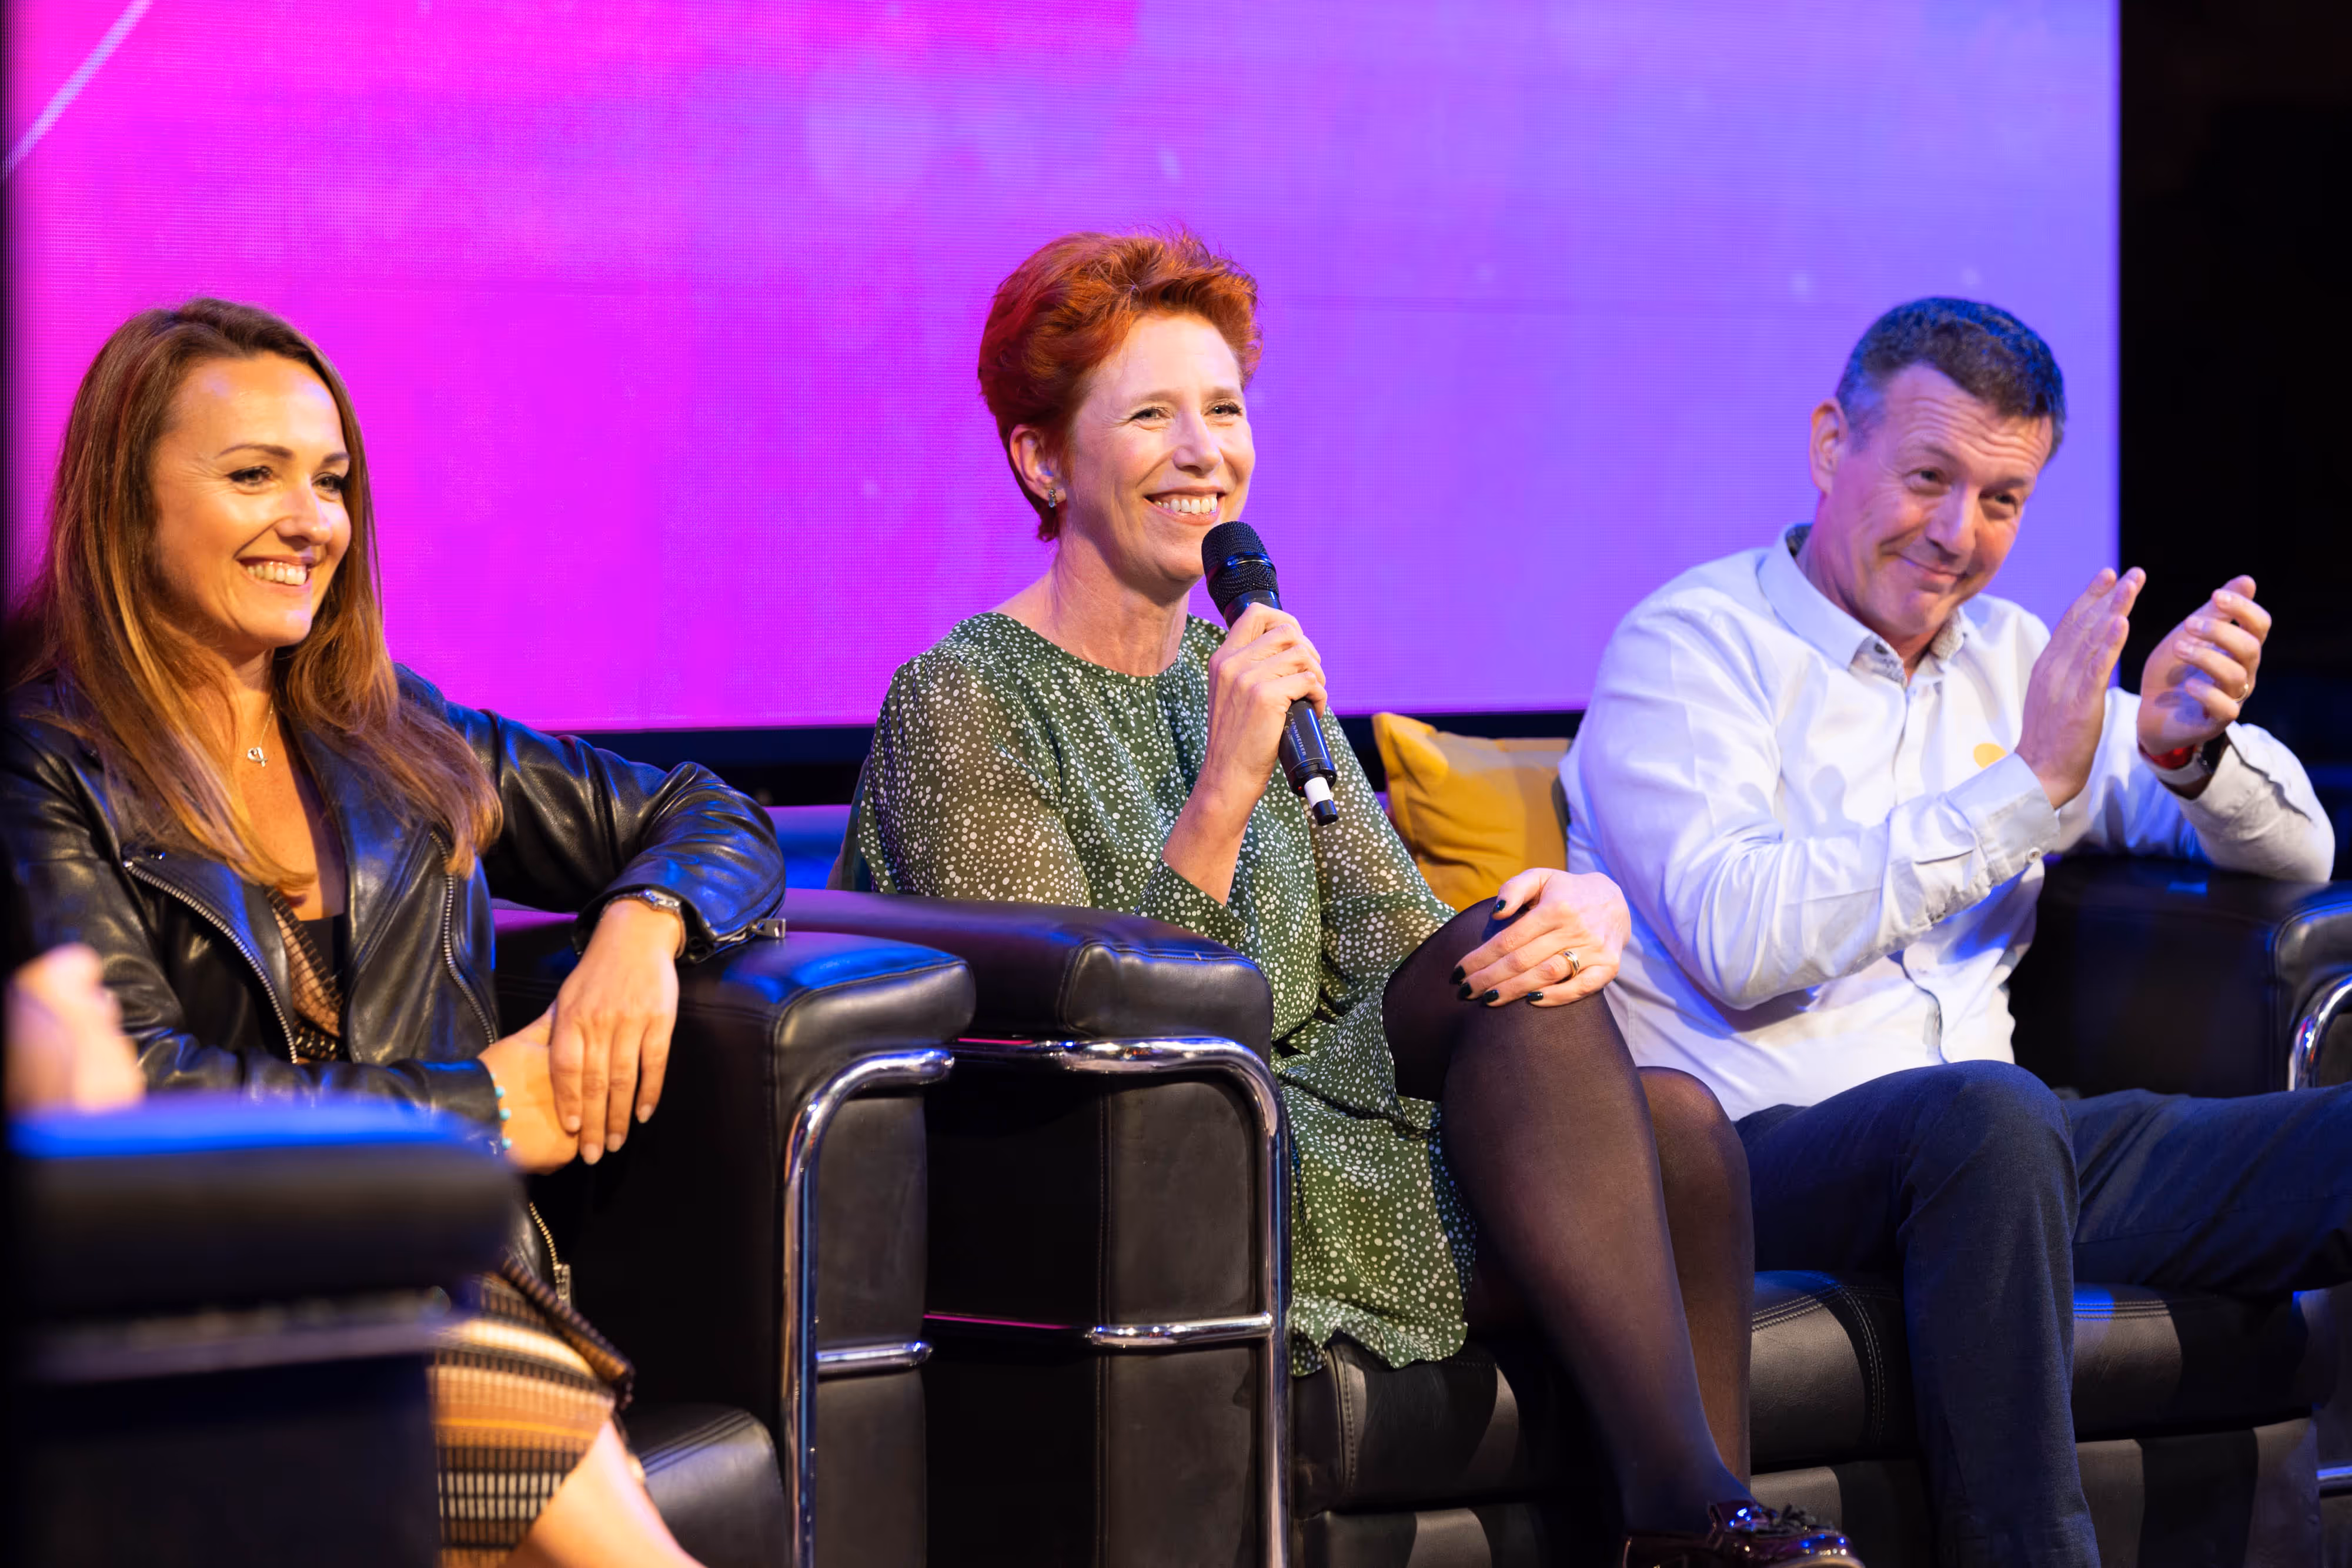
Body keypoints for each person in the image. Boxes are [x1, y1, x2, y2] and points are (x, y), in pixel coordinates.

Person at [845, 229, 1859, 1566]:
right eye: (1149, 414)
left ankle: (1695, 1518)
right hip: (1144, 1163)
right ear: (1042, 458)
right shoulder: (962, 697)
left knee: (1660, 1109)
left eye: (1223, 409)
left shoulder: (1251, 669)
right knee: (1643, 1117)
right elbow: (1089, 1026)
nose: (1203, 449)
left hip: (1319, 1116)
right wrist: (1220, 788)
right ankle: (1692, 1521)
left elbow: (1400, 949)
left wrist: (1564, 914)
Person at [2, 299, 789, 1568]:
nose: (311, 521)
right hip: (209, 1308)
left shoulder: (394, 731)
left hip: (454, 1290)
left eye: (330, 482)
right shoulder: (45, 766)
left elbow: (708, 810)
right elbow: (133, 1082)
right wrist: (478, 1107)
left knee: (440, 1341)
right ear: (126, 504)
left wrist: (641, 928)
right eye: (252, 476)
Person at [1563, 296, 2340, 1566]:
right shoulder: (1690, 648)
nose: (1954, 534)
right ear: (1830, 445)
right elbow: (1734, 936)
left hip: (2007, 1164)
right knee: (1983, 1111)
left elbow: (2294, 853)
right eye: (1927, 478)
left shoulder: (2011, 659)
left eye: (1999, 499)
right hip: (1754, 1163)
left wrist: (2186, 750)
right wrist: (2020, 790)